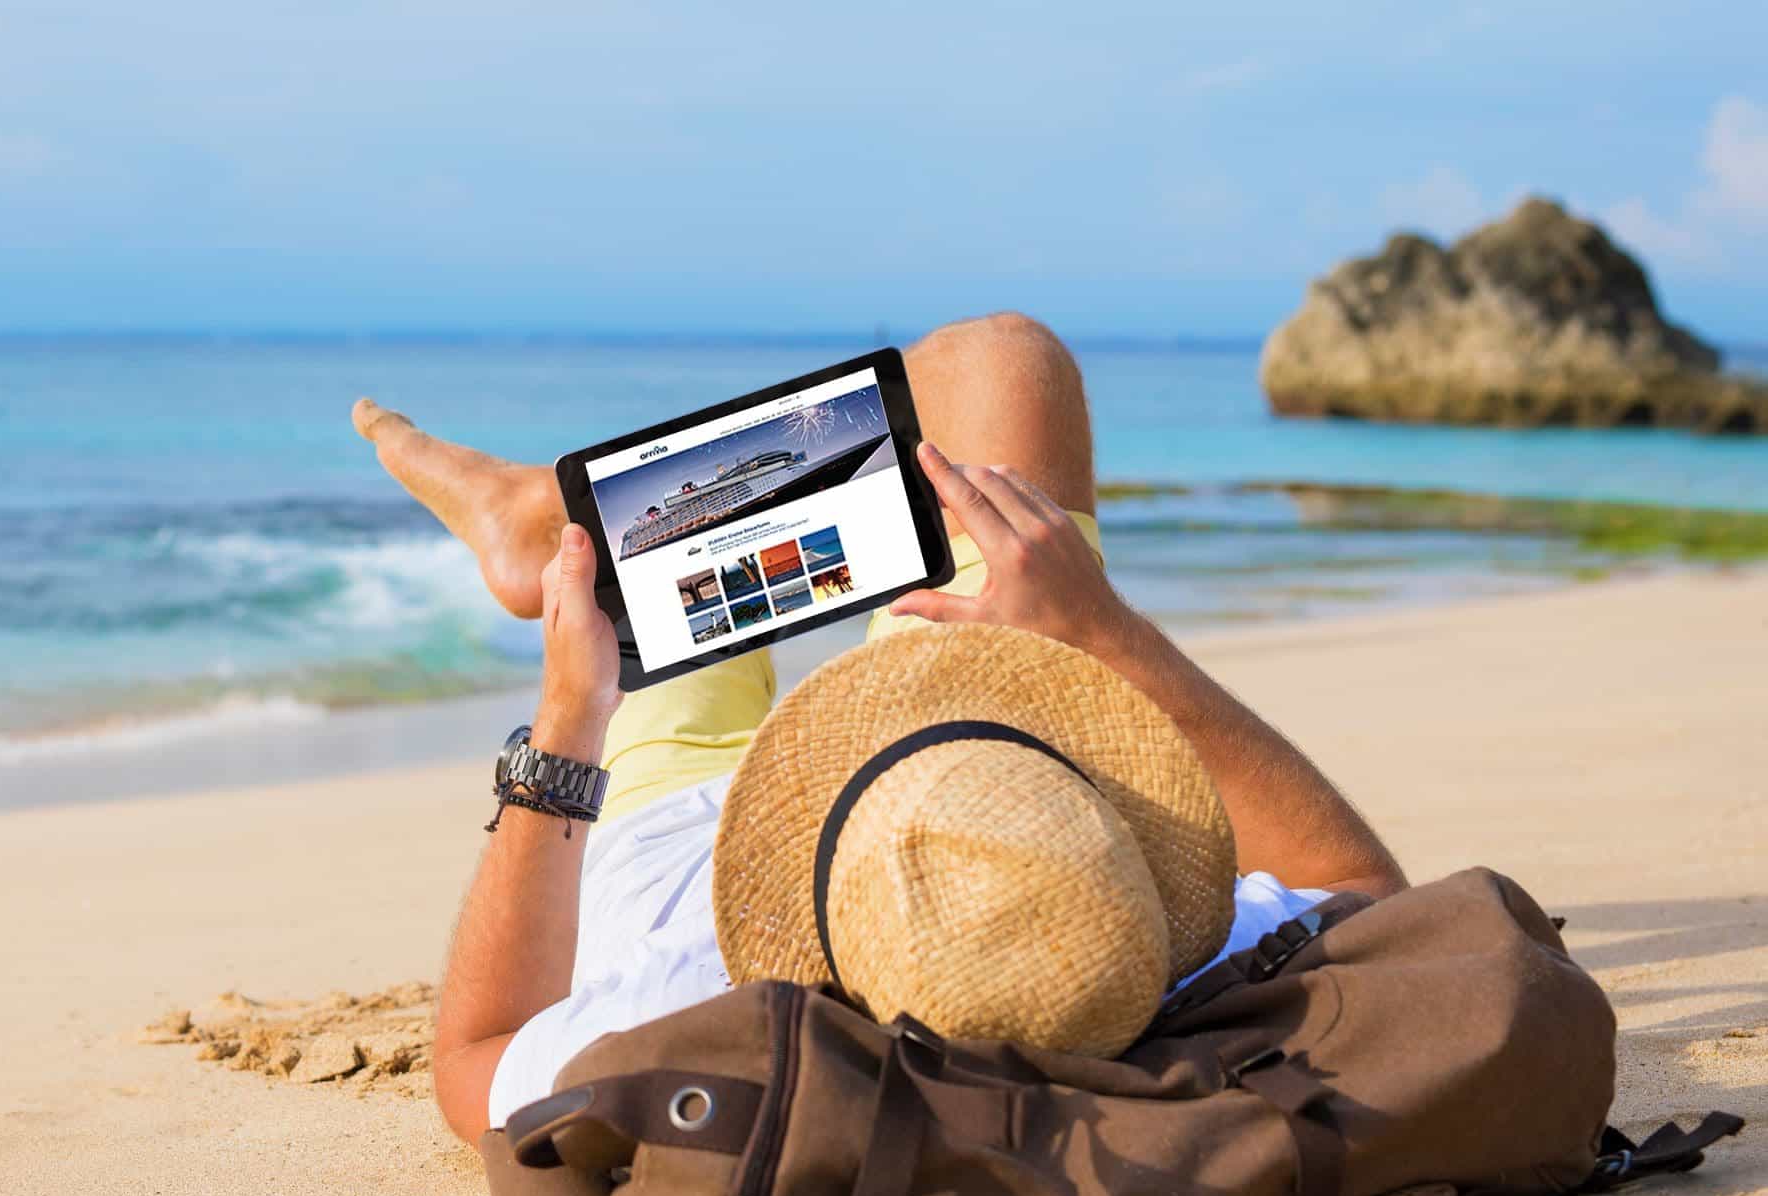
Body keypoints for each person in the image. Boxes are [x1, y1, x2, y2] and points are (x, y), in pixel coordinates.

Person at [351, 312, 1407, 1142]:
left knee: (642, 582)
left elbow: (472, 1054)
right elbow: (1362, 885)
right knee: (1000, 362)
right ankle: (558, 524)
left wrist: (566, 715)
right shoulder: (1103, 958)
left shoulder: (686, 1023)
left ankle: (550, 531)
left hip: (682, 836)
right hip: (968, 787)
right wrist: (1097, 625)